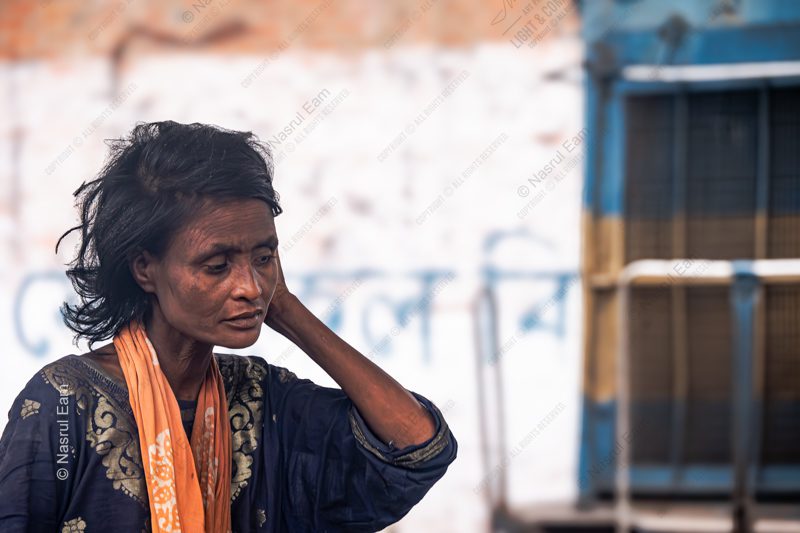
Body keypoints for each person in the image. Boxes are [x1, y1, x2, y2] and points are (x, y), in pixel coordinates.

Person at [0, 121, 457, 532]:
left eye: (263, 258)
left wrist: (289, 312)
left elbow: (417, 448)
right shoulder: (63, 404)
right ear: (145, 269)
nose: (251, 287)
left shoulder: (263, 398)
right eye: (217, 266)